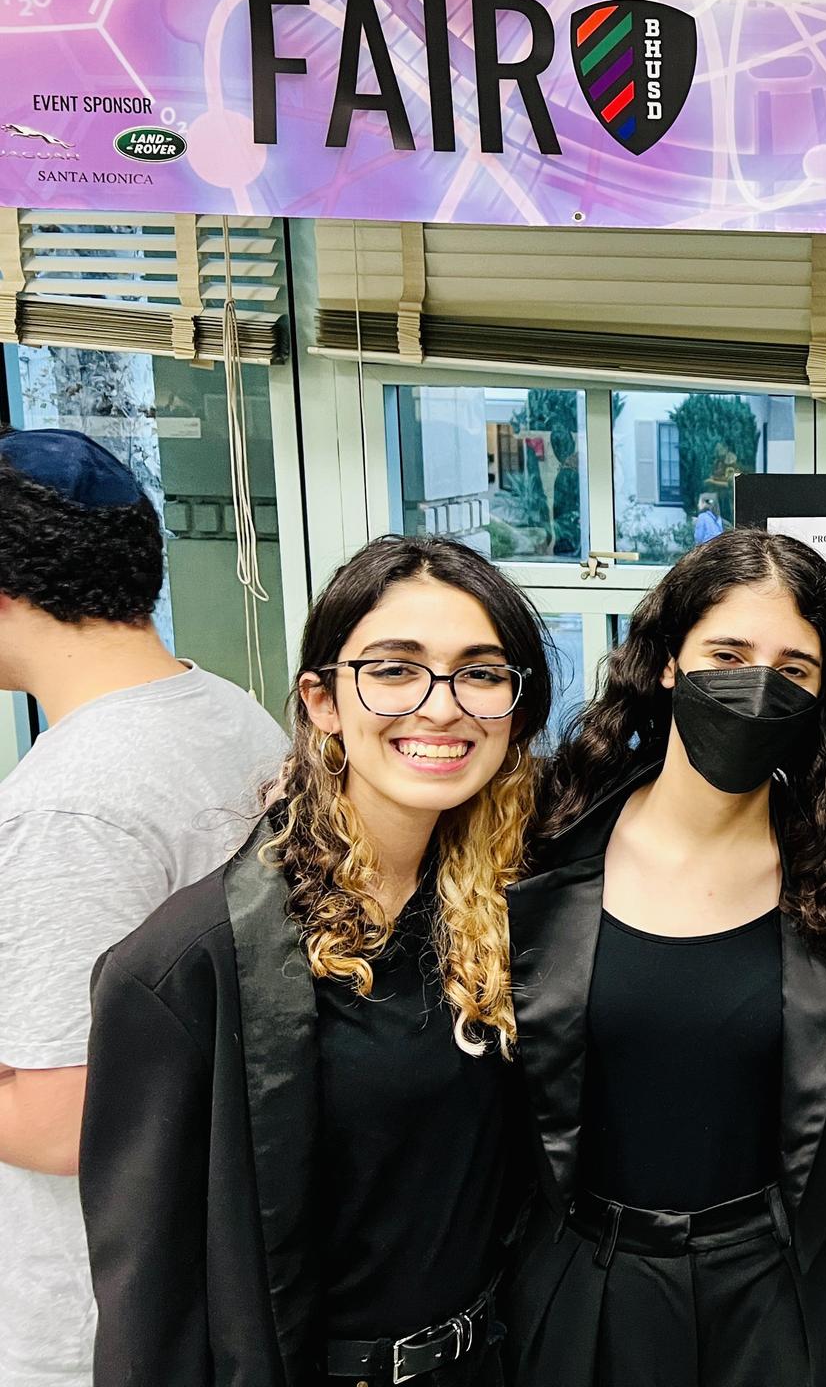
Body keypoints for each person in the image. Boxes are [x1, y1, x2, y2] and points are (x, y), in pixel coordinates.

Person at [79, 535, 553, 1387]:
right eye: (395, 669)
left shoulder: (502, 906)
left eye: (481, 673)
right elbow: (152, 1308)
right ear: (323, 699)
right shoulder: (186, 969)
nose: (442, 706)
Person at [503, 527, 826, 1387]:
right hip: (584, 1290)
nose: (757, 686)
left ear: (821, 695)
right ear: (670, 662)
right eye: (728, 654)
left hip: (776, 1303)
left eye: (793, 669)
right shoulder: (540, 849)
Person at [0, 427, 286, 1387]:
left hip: (86, 1316)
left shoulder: (68, 804)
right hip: (191, 1277)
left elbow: (61, 1122)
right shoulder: (228, 712)